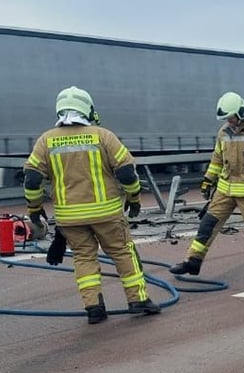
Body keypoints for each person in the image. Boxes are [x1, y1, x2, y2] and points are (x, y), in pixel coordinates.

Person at [23, 86, 161, 324]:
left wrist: (35, 210)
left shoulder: (46, 140)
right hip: (106, 214)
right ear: (87, 108)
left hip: (70, 218)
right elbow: (127, 173)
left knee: (84, 258)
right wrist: (134, 198)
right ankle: (138, 300)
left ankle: (94, 307)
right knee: (123, 252)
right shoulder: (103, 135)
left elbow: (32, 179)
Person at [170, 92, 244, 280]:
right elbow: (217, 159)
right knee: (207, 226)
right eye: (226, 119)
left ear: (241, 113)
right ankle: (192, 262)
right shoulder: (223, 132)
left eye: (231, 117)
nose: (228, 121)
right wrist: (208, 180)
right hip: (225, 190)